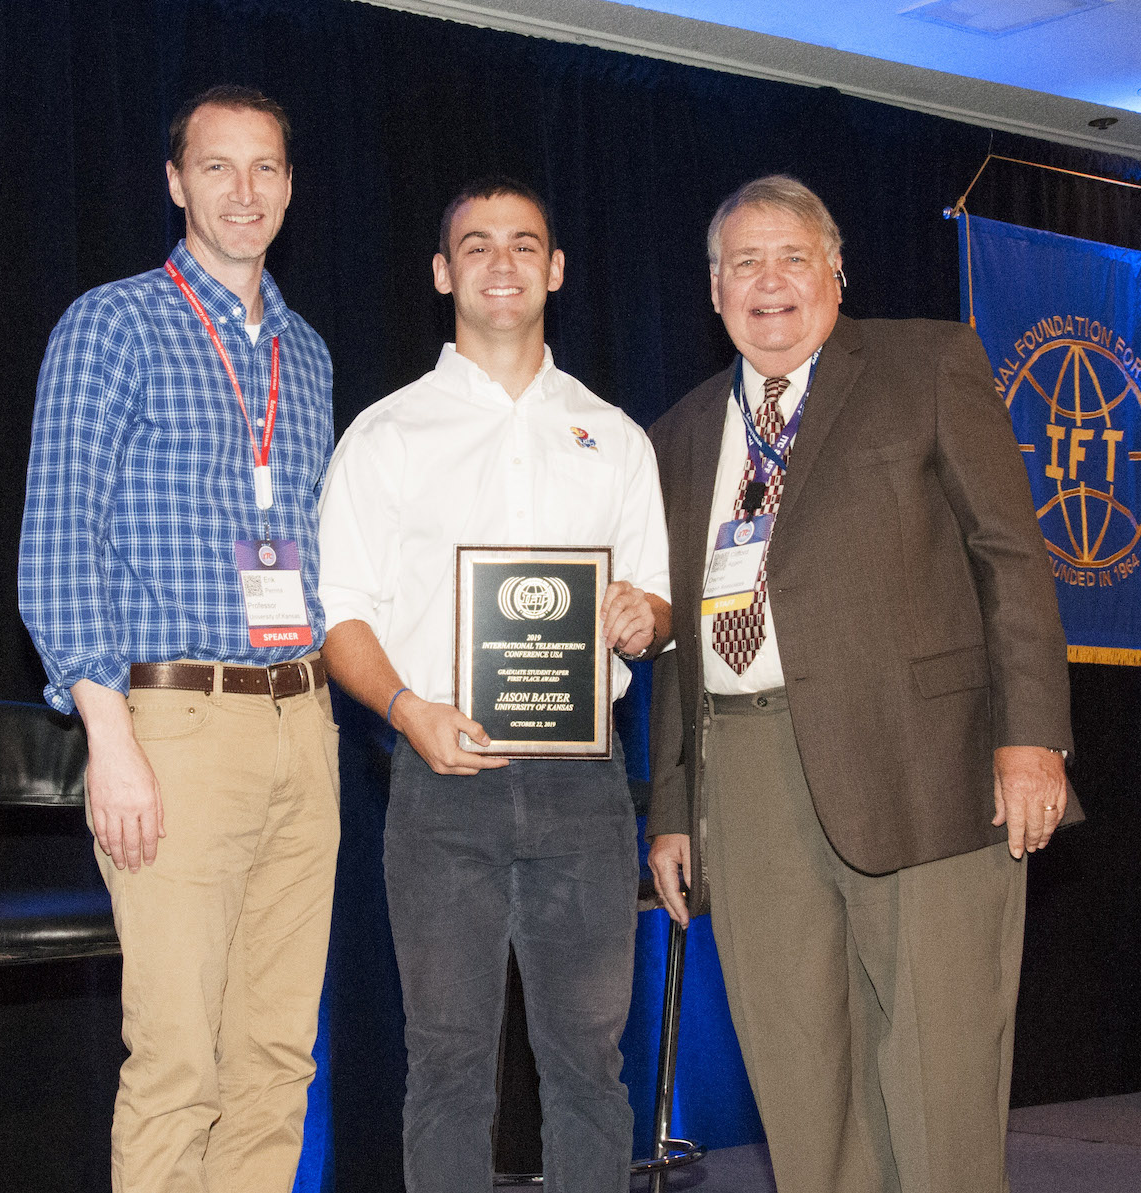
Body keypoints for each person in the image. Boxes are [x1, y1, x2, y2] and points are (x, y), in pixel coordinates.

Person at [646, 175, 1078, 1193]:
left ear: (835, 272)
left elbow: (1009, 558)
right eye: (742, 262)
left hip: (922, 766)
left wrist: (1031, 737)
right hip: (743, 779)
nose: (768, 281)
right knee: (801, 1084)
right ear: (712, 290)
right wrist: (673, 807)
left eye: (791, 256)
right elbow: (670, 638)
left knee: (938, 1077)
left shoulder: (924, 362)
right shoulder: (677, 432)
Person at [316, 177, 671, 1193]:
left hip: (583, 787)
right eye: (476, 245)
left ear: (555, 269)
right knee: (446, 1067)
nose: (502, 262)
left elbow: (652, 600)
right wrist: (404, 709)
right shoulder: (384, 436)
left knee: (587, 1069)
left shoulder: (614, 435)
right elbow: (340, 616)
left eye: (524, 244)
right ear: (442, 273)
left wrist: (643, 618)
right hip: (437, 785)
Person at [18, 85, 339, 1193]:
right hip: (174, 724)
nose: (242, 191)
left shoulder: (309, 353)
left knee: (276, 1056)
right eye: (217, 167)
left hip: (305, 719)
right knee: (178, 1060)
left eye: (265, 169)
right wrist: (109, 734)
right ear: (174, 182)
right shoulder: (110, 322)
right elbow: (59, 537)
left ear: (289, 188)